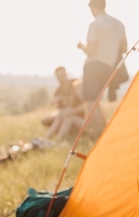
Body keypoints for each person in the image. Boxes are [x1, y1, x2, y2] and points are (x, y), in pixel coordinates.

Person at [76, 0, 127, 137]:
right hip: (109, 67)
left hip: (93, 66)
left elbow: (91, 50)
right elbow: (124, 48)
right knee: (98, 99)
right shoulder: (118, 24)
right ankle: (104, 130)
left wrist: (82, 47)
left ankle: (95, 133)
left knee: (91, 101)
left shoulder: (94, 24)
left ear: (93, 8)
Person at [43, 67, 85, 140]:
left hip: (81, 116)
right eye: (58, 76)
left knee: (65, 116)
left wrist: (62, 98)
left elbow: (84, 104)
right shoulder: (57, 91)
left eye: (63, 75)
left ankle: (54, 139)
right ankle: (48, 138)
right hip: (69, 115)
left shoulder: (75, 83)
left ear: (66, 74)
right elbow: (61, 109)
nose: (61, 78)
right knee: (51, 118)